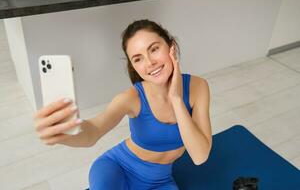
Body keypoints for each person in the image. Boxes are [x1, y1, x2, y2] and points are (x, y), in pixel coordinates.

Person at [33, 19, 212, 190]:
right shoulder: (131, 98)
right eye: (138, 59)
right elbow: (93, 131)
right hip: (117, 170)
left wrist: (176, 99)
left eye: (154, 49)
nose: (150, 63)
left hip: (161, 181)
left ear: (171, 47)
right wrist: (62, 133)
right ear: (133, 66)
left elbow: (200, 155)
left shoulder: (198, 87)